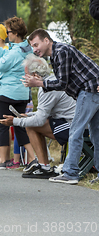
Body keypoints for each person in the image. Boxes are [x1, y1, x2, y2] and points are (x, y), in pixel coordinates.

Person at [24, 28, 99, 184]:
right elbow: (89, 66)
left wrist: (39, 83)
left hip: (89, 91)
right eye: (32, 46)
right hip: (91, 91)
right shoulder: (57, 54)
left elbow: (61, 83)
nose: (35, 49)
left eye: (36, 44)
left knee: (75, 130)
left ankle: (71, 173)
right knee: (96, 134)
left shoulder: (61, 51)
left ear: (46, 40)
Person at [0, 54, 76, 179]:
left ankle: (44, 166)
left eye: (26, 74)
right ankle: (43, 165)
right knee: (31, 122)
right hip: (72, 122)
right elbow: (43, 113)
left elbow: (40, 120)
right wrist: (27, 115)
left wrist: (15, 121)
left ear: (35, 75)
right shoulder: (51, 81)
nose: (24, 77)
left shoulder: (47, 89)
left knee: (32, 126)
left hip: (74, 126)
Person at [0, 16, 36, 169]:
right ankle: (32, 158)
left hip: (7, 93)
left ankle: (3, 160)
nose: (7, 35)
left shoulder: (15, 52)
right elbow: (5, 56)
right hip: (22, 94)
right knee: (19, 126)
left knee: (2, 125)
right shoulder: (24, 48)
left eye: (9, 32)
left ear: (16, 33)